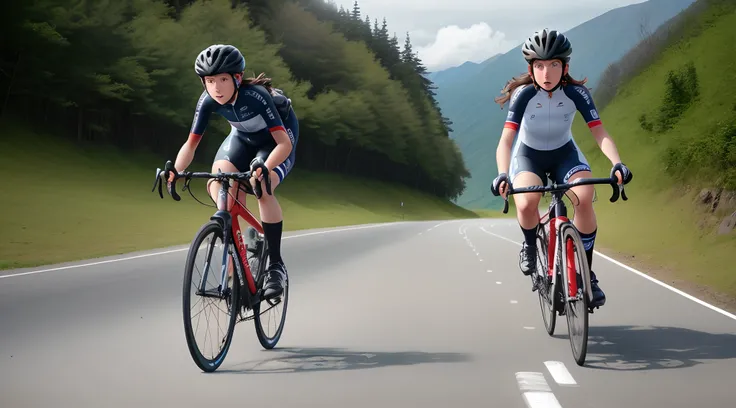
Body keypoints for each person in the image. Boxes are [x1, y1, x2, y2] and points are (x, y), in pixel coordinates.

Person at [489, 29, 632, 308]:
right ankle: (530, 245)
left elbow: (600, 132)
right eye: (539, 65)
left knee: (585, 196)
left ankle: (586, 273)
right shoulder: (523, 95)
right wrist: (503, 173)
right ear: (531, 69)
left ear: (565, 67)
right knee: (528, 202)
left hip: (564, 153)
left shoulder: (577, 93)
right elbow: (506, 140)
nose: (546, 72)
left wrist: (617, 163)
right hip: (529, 156)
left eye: (553, 64)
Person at [167, 44, 298, 300]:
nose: (216, 87)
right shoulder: (207, 100)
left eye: (223, 79)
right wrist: (176, 170)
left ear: (237, 78)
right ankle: (237, 253)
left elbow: (284, 144)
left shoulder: (257, 96)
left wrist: (265, 167)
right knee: (220, 182)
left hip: (276, 141)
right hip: (241, 138)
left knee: (261, 184)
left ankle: (274, 265)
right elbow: (191, 143)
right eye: (209, 80)